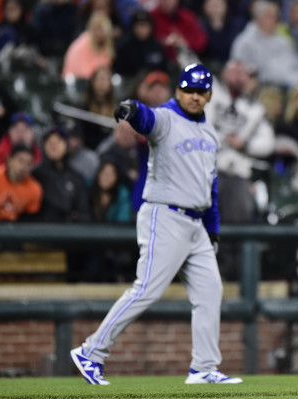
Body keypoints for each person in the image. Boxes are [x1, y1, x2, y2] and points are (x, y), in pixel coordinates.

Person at [70, 63, 243, 385]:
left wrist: (213, 228)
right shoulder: (166, 117)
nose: (193, 96)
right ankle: (91, 351)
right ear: (179, 90)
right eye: (188, 90)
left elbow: (212, 186)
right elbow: (145, 118)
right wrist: (132, 109)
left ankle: (204, 367)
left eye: (200, 91)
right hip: (165, 215)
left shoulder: (209, 132)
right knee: (146, 289)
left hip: (196, 224)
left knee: (210, 291)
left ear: (208, 95)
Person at [204, 59, 275, 223]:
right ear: (223, 74)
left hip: (237, 173)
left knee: (237, 227)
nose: (237, 76)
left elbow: (268, 143)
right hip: (206, 169)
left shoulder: (255, 109)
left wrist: (246, 145)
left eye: (241, 73)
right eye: (233, 71)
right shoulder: (210, 93)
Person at [230, 0, 298, 89]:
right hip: (261, 88)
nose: (274, 20)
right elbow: (240, 70)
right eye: (269, 16)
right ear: (258, 18)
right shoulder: (245, 42)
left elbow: (297, 65)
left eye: (276, 17)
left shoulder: (284, 40)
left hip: (288, 87)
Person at [0, 144, 42, 222]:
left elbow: (30, 220)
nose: (24, 166)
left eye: (29, 163)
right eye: (20, 160)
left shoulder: (35, 189)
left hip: (18, 231)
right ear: (10, 160)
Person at [113, 8, 169, 77]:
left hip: (155, 84)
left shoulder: (157, 47)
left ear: (150, 27)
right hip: (131, 85)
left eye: (143, 25)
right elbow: (120, 74)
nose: (140, 29)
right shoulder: (124, 48)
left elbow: (165, 71)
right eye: (137, 25)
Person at [62, 11, 114, 80]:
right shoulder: (82, 44)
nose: (99, 33)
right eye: (96, 29)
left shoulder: (106, 46)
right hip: (78, 81)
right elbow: (82, 72)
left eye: (101, 29)